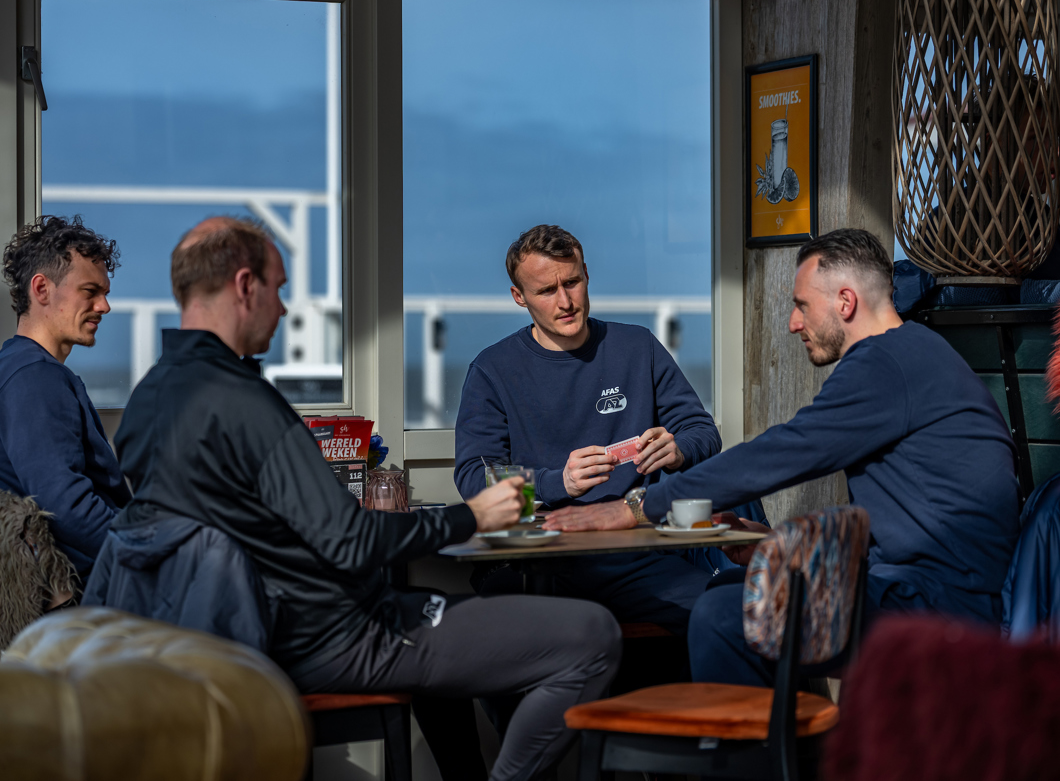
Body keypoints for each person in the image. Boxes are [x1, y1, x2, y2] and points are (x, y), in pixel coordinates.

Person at [111, 216, 621, 781]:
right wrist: (472, 516)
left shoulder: (148, 401)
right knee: (592, 634)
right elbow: (351, 543)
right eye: (278, 288)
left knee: (440, 611)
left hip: (234, 635)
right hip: (333, 637)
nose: (283, 308)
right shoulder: (243, 403)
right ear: (245, 286)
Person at [543, 228, 1022, 686]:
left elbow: (780, 453)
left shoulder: (885, 363)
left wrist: (638, 507)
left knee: (723, 614)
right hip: (922, 590)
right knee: (726, 589)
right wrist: (778, 544)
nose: (793, 323)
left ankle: (760, 742)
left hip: (939, 609)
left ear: (846, 302)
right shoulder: (914, 353)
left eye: (801, 305)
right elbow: (910, 517)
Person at [454, 223, 764, 635]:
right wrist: (557, 482)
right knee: (529, 628)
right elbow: (475, 477)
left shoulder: (637, 346)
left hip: (639, 550)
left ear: (586, 274)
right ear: (519, 296)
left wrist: (678, 450)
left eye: (572, 282)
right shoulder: (492, 370)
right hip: (548, 554)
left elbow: (701, 431)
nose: (565, 301)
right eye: (546, 291)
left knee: (732, 614)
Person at [0, 215, 130, 582]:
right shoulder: (35, 377)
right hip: (81, 591)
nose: (104, 306)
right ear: (42, 289)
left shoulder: (17, 366)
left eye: (105, 293)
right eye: (90, 291)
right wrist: (149, 554)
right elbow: (67, 507)